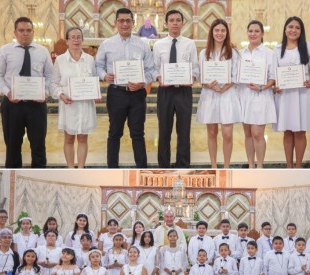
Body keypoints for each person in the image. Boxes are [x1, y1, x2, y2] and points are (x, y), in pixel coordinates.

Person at [95, 8, 155, 168]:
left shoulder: (142, 45)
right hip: (116, 93)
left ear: (133, 23)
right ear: (115, 23)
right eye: (121, 20)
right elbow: (98, 65)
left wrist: (142, 83)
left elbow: (151, 70)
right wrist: (104, 76)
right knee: (114, 133)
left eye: (128, 20)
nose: (125, 24)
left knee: (137, 134)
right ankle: (112, 169)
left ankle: (142, 168)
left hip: (137, 95)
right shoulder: (107, 44)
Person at [0, 17, 53, 168]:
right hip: (12, 105)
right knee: (12, 146)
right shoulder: (5, 50)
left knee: (38, 146)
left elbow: (51, 76)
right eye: (22, 30)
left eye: (29, 30)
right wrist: (7, 92)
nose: (25, 34)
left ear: (33, 31)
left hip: (37, 105)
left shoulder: (43, 51)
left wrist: (45, 93)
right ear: (15, 32)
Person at [153, 9, 199, 168]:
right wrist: (159, 78)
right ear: (166, 23)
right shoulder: (158, 45)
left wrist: (191, 78)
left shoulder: (190, 44)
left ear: (182, 23)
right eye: (171, 20)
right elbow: (154, 68)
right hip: (165, 91)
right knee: (164, 131)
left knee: (184, 131)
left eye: (178, 20)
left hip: (184, 91)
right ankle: (163, 165)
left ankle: (183, 165)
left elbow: (195, 67)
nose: (174, 23)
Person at [273, 16, 310, 168]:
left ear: (301, 31)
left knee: (300, 131)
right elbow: (274, 75)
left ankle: (298, 165)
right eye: (290, 27)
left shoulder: (308, 47)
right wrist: (275, 86)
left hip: (302, 95)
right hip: (285, 96)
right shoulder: (277, 50)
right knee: (287, 131)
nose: (293, 30)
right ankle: (289, 165)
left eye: (297, 28)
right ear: (285, 30)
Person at [196, 18, 241, 168]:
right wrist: (206, 83)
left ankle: (226, 166)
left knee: (227, 134)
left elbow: (236, 75)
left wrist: (224, 88)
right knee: (212, 132)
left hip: (227, 95)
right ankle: (214, 165)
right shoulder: (204, 53)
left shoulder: (233, 52)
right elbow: (200, 75)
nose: (220, 33)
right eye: (217, 30)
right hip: (210, 95)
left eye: (223, 30)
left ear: (227, 33)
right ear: (212, 32)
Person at [50, 26, 97, 168]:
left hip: (85, 105)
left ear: (82, 40)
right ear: (67, 41)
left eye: (78, 37)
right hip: (68, 104)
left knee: (83, 138)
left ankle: (81, 167)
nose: (76, 40)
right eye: (73, 37)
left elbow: (94, 79)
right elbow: (53, 83)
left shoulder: (89, 59)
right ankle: (71, 167)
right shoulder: (60, 60)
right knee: (69, 138)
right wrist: (61, 95)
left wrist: (95, 93)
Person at [239, 20, 277, 168]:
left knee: (257, 133)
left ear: (262, 33)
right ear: (247, 33)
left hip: (261, 96)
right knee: (248, 133)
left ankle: (260, 165)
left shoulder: (269, 53)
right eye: (250, 31)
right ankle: (250, 165)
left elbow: (273, 77)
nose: (253, 34)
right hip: (244, 96)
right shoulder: (240, 54)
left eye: (256, 31)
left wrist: (261, 87)